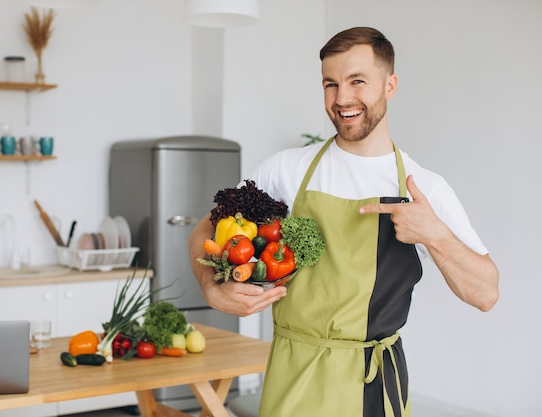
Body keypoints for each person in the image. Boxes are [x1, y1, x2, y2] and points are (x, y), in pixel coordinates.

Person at [188, 26, 499, 417]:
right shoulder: (287, 169)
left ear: (390, 85)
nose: (342, 99)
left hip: (369, 384)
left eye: (358, 82)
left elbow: (485, 293)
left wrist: (434, 234)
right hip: (290, 372)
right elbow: (206, 228)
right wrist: (210, 287)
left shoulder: (422, 188)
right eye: (330, 84)